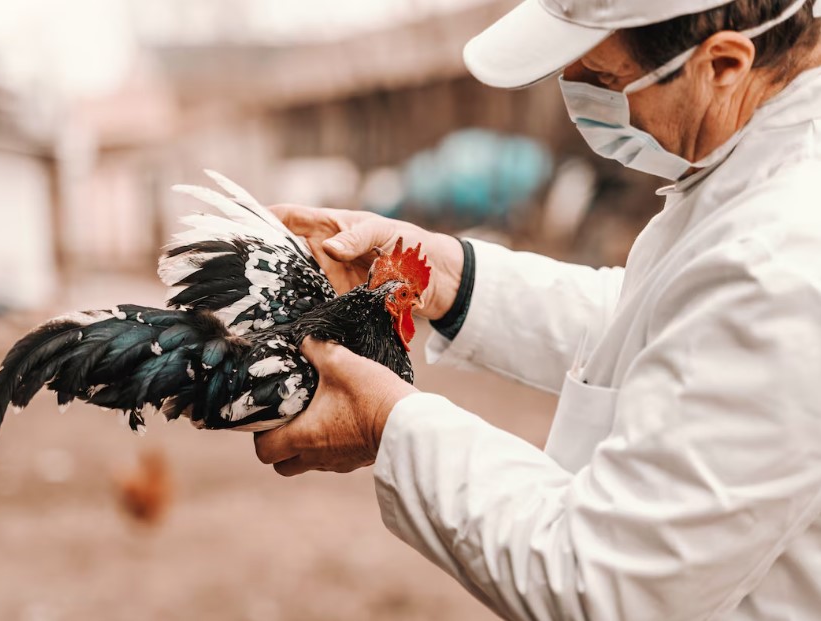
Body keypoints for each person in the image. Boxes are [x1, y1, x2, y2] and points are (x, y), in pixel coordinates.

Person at [253, 0, 821, 618]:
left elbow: (609, 584)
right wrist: (449, 278)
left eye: (603, 78)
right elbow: (669, 330)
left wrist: (387, 425)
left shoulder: (781, 262)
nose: (573, 94)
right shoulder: (745, 178)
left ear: (723, 63)